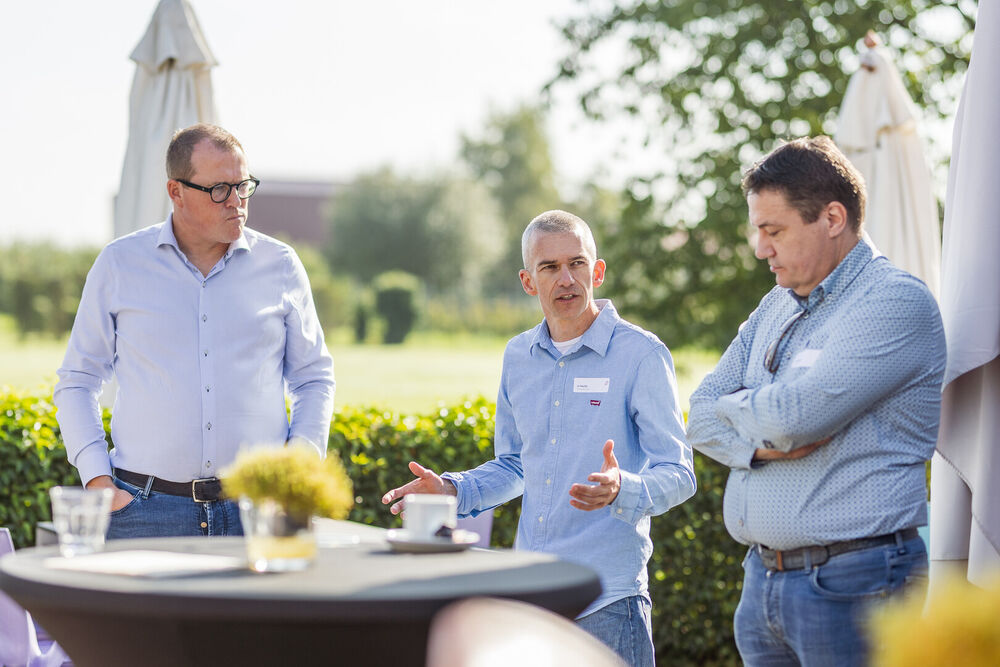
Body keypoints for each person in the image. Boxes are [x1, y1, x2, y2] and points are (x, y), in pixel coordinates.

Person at [381, 210, 696, 667]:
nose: (566, 279)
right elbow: (515, 466)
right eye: (549, 268)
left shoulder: (642, 355)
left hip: (608, 600)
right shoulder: (518, 356)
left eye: (577, 263)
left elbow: (679, 472)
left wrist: (622, 488)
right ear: (529, 281)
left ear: (598, 271)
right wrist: (452, 489)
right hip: (531, 595)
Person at [687, 136, 945, 667]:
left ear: (832, 218)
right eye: (758, 230)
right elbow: (697, 413)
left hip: (855, 582)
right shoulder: (776, 304)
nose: (760, 248)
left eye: (773, 230)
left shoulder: (895, 301)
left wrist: (741, 406)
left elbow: (794, 419)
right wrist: (756, 448)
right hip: (762, 581)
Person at [54, 123, 335, 538]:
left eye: (243, 186)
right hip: (142, 512)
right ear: (176, 192)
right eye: (220, 189)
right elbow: (78, 380)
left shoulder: (280, 265)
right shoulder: (120, 265)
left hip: (259, 513)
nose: (236, 202)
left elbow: (314, 378)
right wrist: (99, 482)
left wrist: (295, 475)